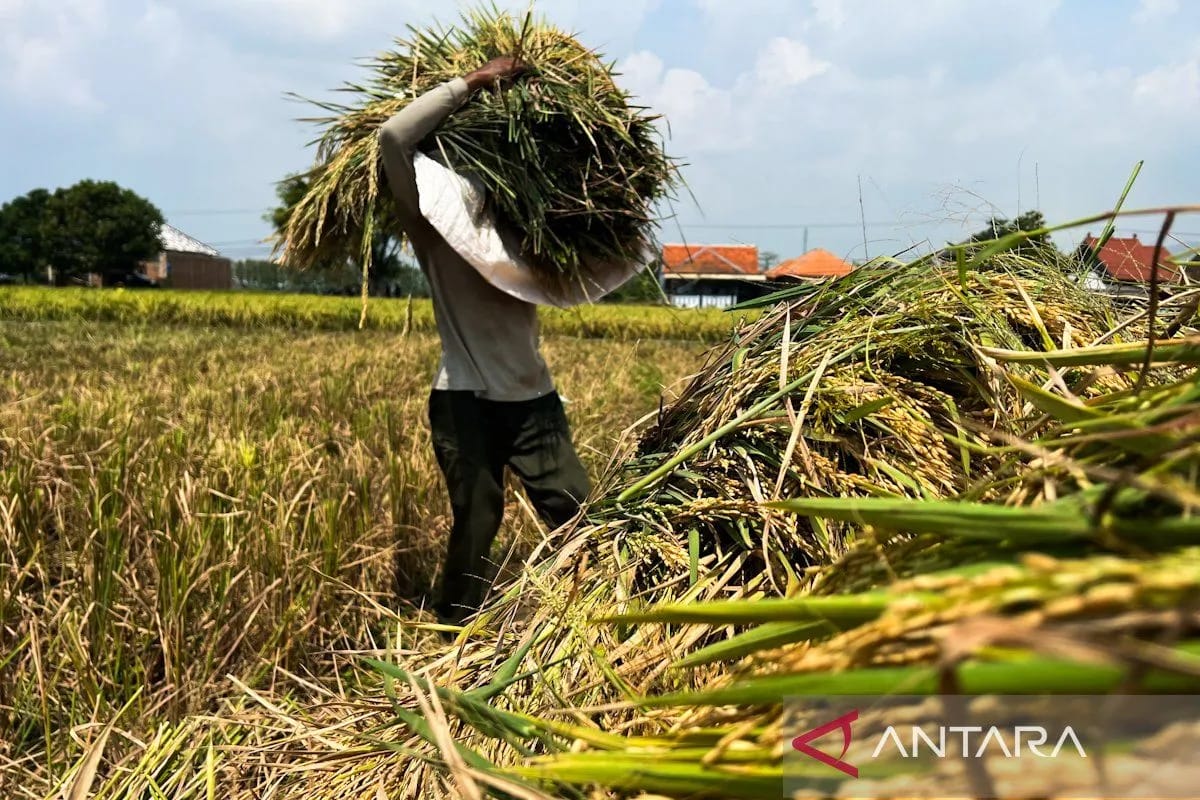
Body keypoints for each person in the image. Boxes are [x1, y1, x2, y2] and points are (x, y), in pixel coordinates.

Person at [378, 56, 591, 626]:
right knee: (478, 518)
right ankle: (454, 631)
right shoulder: (434, 227)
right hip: (465, 400)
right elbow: (394, 136)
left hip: (533, 400)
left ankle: (590, 616)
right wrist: (471, 84)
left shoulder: (539, 232)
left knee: (580, 513)